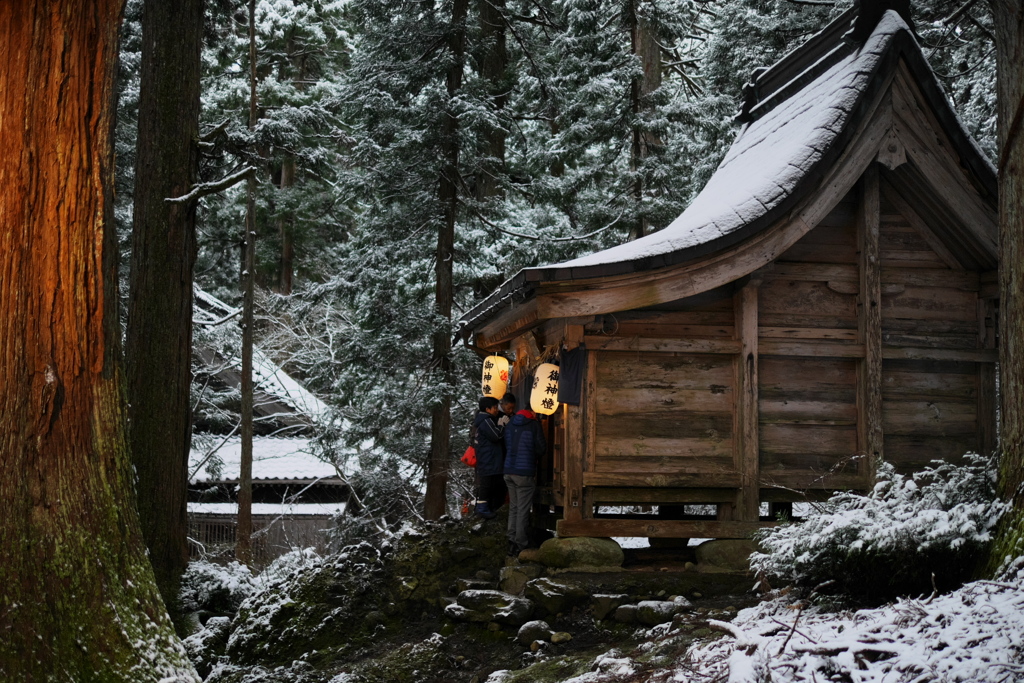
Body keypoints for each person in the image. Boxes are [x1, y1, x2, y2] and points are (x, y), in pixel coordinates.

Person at [503, 408, 546, 556]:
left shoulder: (509, 424)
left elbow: (505, 445)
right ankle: (520, 543)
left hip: (508, 470)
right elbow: (541, 449)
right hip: (524, 472)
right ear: (532, 412)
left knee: (514, 507)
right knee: (522, 508)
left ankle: (511, 540)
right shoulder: (534, 425)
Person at [472, 396, 506, 519]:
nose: (497, 410)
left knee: (490, 484)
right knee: (487, 484)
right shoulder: (486, 421)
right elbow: (496, 436)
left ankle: (486, 508)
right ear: (487, 409)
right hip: (489, 458)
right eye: (495, 407)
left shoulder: (483, 420)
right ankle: (482, 509)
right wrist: (502, 425)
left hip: (487, 458)